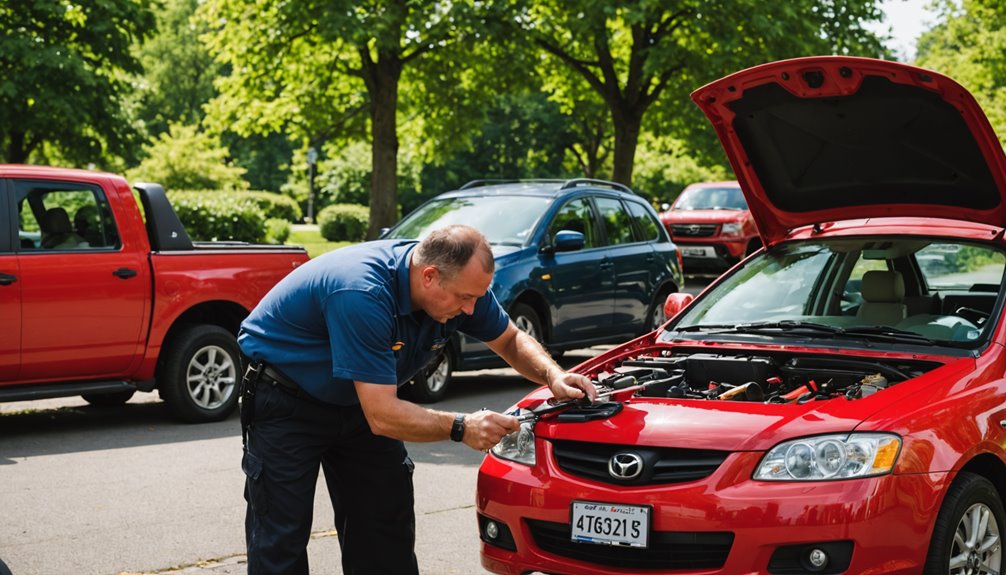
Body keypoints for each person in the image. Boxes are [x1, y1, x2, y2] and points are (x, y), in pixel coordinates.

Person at [237, 224, 596, 575]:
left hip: (360, 404)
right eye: (464, 298)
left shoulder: (460, 284)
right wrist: (461, 427)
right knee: (280, 539)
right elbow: (381, 415)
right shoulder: (361, 292)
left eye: (476, 297)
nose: (471, 310)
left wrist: (554, 375)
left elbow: (510, 339)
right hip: (288, 400)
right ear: (429, 277)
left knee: (384, 530)